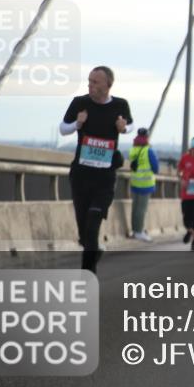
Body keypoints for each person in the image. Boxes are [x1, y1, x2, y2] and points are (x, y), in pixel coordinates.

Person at [60, 66, 134, 272]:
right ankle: (94, 249)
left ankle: (87, 274)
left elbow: (130, 125)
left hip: (105, 176)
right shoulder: (80, 103)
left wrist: (123, 128)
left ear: (108, 85)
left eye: (95, 82)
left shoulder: (120, 105)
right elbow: (63, 128)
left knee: (93, 221)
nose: (90, 85)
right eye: (89, 81)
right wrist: (77, 123)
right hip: (81, 175)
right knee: (85, 232)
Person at [128, 127, 159, 243]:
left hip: (135, 182)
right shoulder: (148, 150)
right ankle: (139, 232)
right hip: (146, 184)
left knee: (135, 208)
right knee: (142, 209)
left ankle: (135, 230)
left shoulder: (133, 149)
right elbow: (156, 168)